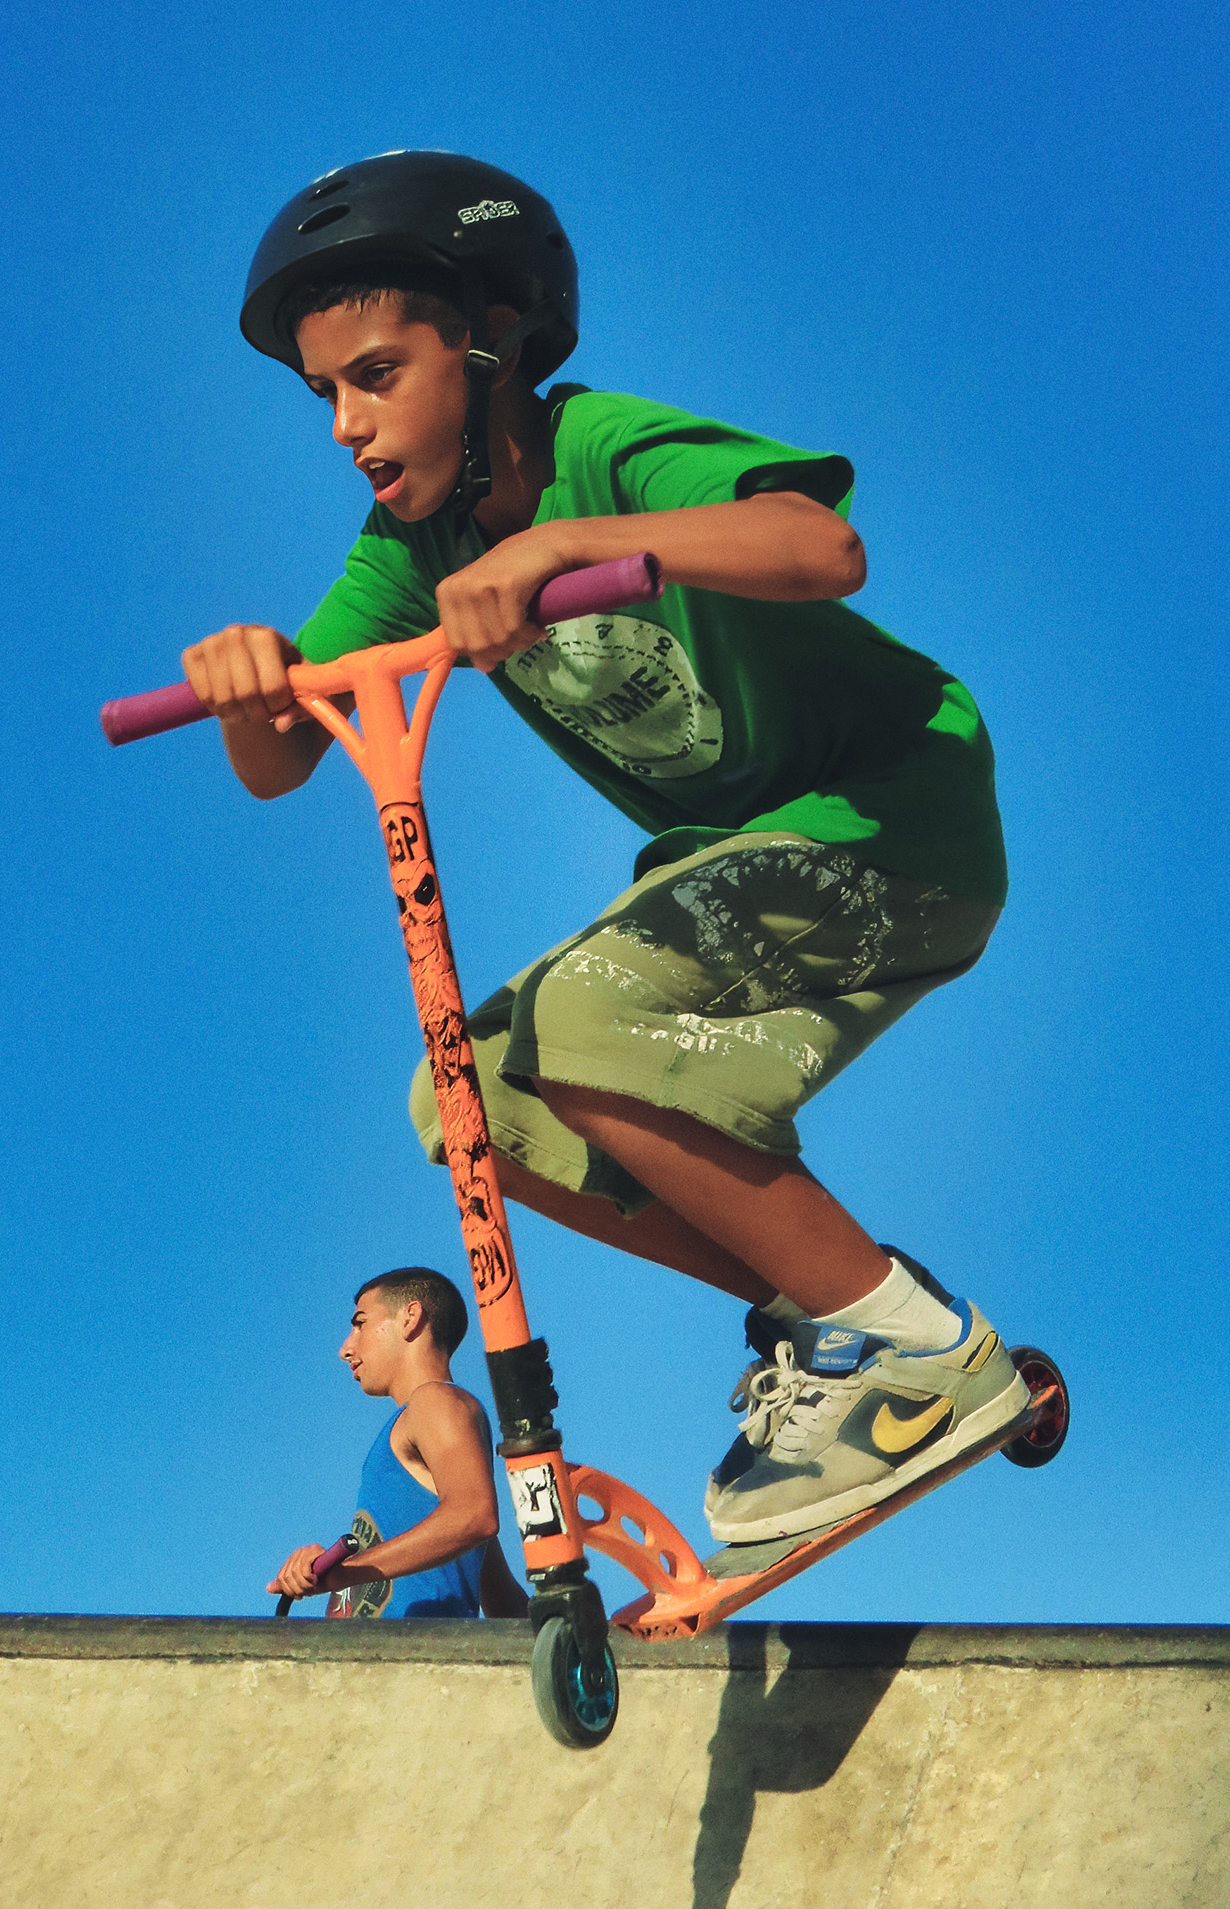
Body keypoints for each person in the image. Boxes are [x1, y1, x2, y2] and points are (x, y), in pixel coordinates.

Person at [193, 152, 1029, 1550]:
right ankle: (835, 1315)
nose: (345, 422)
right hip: (752, 857)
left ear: (490, 337)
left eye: (377, 374)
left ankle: (913, 1345)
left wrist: (575, 542)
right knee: (467, 1101)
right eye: (322, 393)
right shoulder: (408, 548)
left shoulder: (597, 449)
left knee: (586, 1020)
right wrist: (252, 679)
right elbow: (289, 754)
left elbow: (821, 547)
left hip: (901, 818)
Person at [268, 1267, 529, 1618]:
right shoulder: (414, 1436)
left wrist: (348, 1571)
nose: (345, 1348)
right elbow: (504, 1603)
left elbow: (474, 1516)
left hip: (414, 1665)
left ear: (411, 1317)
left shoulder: (436, 1401)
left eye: (360, 1323)